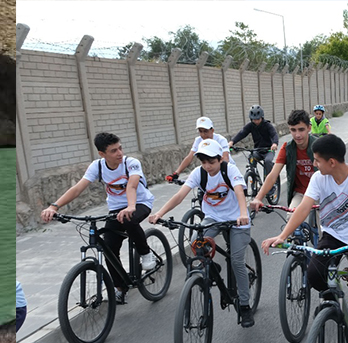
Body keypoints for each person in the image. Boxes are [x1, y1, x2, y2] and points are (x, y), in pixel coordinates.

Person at [262, 135, 348, 343]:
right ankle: (332, 302)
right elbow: (303, 208)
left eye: (317, 160)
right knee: (314, 274)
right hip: (333, 234)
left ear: (331, 162)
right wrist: (282, 235)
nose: (314, 164)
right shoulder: (319, 178)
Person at [40, 132, 156, 305]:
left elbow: (132, 186)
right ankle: (120, 287)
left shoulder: (131, 163)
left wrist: (131, 206)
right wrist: (54, 207)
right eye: (113, 150)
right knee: (109, 247)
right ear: (102, 154)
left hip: (140, 203)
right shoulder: (98, 166)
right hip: (115, 209)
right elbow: (77, 189)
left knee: (129, 220)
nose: (119, 153)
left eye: (120, 148)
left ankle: (145, 253)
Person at [148, 140, 255, 327]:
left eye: (211, 162)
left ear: (219, 159)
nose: (207, 166)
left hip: (237, 219)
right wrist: (159, 213)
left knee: (237, 261)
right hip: (213, 217)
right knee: (196, 244)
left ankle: (245, 306)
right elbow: (180, 195)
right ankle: (213, 268)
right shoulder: (199, 173)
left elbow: (239, 191)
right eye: (203, 162)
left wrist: (243, 214)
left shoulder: (229, 170)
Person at [250, 110, 318, 213]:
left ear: (309, 128)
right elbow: (273, 175)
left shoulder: (319, 145)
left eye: (301, 129)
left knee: (323, 219)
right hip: (301, 193)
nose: (297, 135)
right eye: (293, 130)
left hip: (319, 192)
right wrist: (258, 198)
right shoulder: (287, 148)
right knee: (291, 216)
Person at [171, 116, 235, 178]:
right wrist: (176, 173)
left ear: (212, 130)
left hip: (227, 169)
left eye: (205, 131)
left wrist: (220, 174)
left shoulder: (221, 140)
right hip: (210, 169)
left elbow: (225, 158)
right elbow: (189, 157)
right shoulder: (198, 140)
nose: (203, 134)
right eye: (200, 131)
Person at [228, 105, 279, 180]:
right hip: (257, 150)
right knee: (251, 158)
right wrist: (232, 142)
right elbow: (242, 133)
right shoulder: (250, 126)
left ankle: (270, 182)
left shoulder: (268, 125)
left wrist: (274, 143)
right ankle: (254, 179)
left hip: (268, 150)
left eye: (258, 119)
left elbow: (274, 134)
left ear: (262, 117)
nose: (256, 121)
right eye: (254, 119)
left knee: (268, 161)